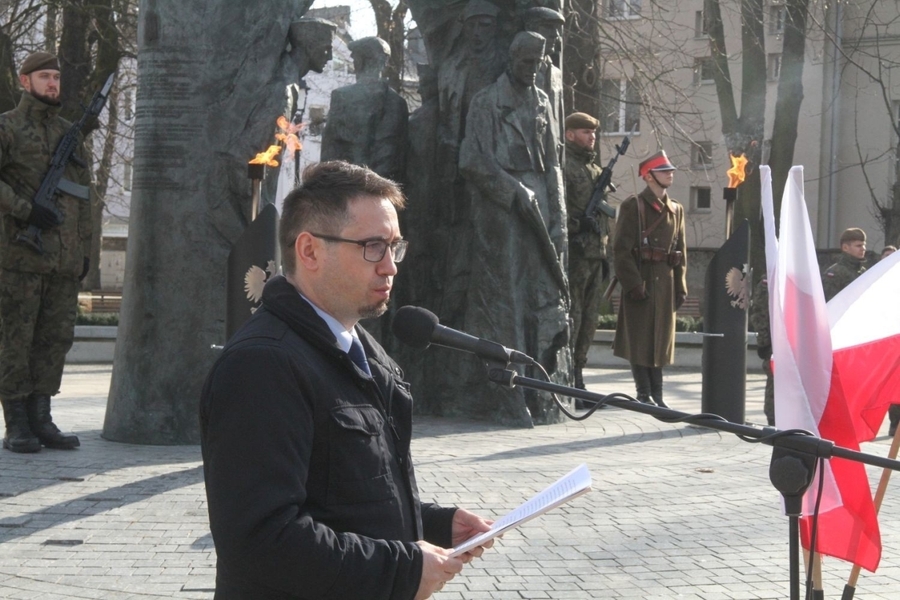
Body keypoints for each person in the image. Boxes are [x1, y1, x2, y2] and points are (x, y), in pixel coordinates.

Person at [200, 161, 493, 599]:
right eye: (373, 246)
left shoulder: (359, 348)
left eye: (395, 246)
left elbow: (344, 495)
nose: (390, 267)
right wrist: (404, 568)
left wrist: (432, 522)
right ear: (310, 251)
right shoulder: (263, 364)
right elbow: (260, 539)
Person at [458, 31, 570, 425]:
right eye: (526, 62)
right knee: (506, 302)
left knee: (543, 298)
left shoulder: (542, 101)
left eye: (538, 63)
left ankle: (543, 389)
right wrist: (511, 189)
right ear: (511, 59)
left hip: (539, 208)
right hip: (502, 213)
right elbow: (471, 159)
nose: (533, 69)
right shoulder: (487, 101)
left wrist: (558, 216)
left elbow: (554, 164)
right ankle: (509, 394)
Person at [0, 51, 89, 453]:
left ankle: (42, 418)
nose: (53, 84)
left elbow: (85, 197)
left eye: (56, 77)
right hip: (19, 257)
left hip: (63, 261)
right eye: (44, 77)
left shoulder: (69, 133)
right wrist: (24, 209)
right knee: (16, 339)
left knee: (54, 340)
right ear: (24, 82)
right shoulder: (8, 129)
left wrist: (83, 247)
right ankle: (16, 423)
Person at [612, 150, 687, 409]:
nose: (670, 174)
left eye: (670, 170)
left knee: (660, 341)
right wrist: (632, 284)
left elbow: (681, 252)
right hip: (642, 281)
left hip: (665, 284)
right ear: (648, 177)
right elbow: (621, 250)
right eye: (664, 171)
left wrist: (681, 286)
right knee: (641, 339)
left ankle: (658, 394)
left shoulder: (676, 209)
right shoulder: (634, 206)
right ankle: (643, 393)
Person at [321, 37, 408, 182]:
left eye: (355, 60)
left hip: (347, 187)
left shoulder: (342, 97)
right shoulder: (398, 103)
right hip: (385, 190)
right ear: (384, 62)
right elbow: (401, 158)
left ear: (360, 62)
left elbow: (329, 152)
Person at [563, 112, 608, 390]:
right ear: (570, 135)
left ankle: (579, 373)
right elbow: (557, 211)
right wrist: (578, 225)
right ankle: (567, 374)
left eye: (593, 133)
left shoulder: (594, 170)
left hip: (596, 255)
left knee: (591, 317)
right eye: (585, 132)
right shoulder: (566, 168)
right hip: (577, 253)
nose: (592, 137)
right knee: (575, 315)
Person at [749, 276, 774, 426]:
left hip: (796, 343)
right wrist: (764, 343)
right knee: (775, 383)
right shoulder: (769, 280)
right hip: (775, 344)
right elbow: (760, 314)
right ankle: (773, 421)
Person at [821, 227, 867, 302]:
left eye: (864, 245)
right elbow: (830, 302)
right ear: (845, 248)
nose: (863, 248)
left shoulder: (863, 271)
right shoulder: (835, 273)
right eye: (858, 246)